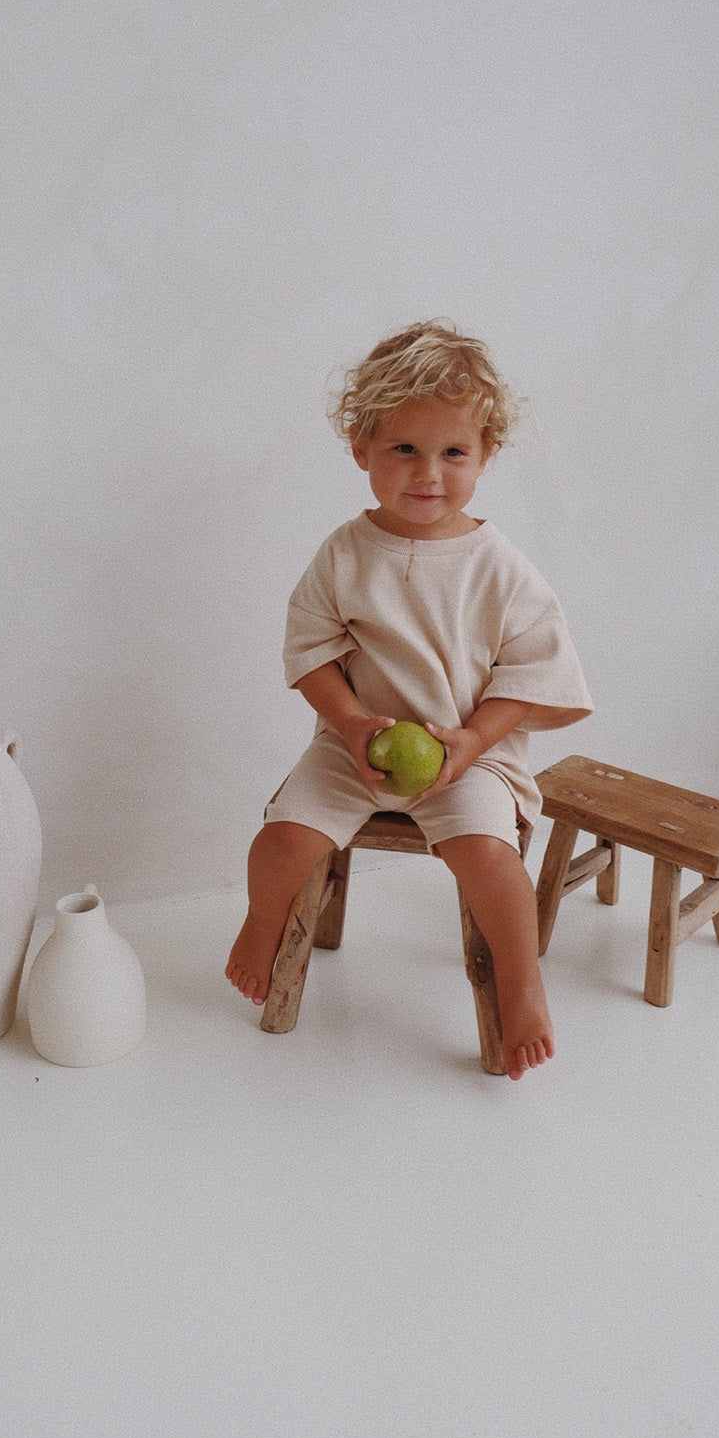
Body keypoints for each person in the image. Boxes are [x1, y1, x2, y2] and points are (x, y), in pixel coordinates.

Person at [226, 321, 592, 1079]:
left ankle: (522, 985)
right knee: (283, 840)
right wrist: (354, 723)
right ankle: (261, 924)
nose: (428, 473)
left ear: (485, 454)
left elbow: (527, 677)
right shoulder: (345, 553)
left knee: (491, 860)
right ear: (361, 448)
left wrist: (471, 744)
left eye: (453, 452)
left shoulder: (499, 568)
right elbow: (312, 655)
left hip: (467, 753)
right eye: (404, 450)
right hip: (354, 743)